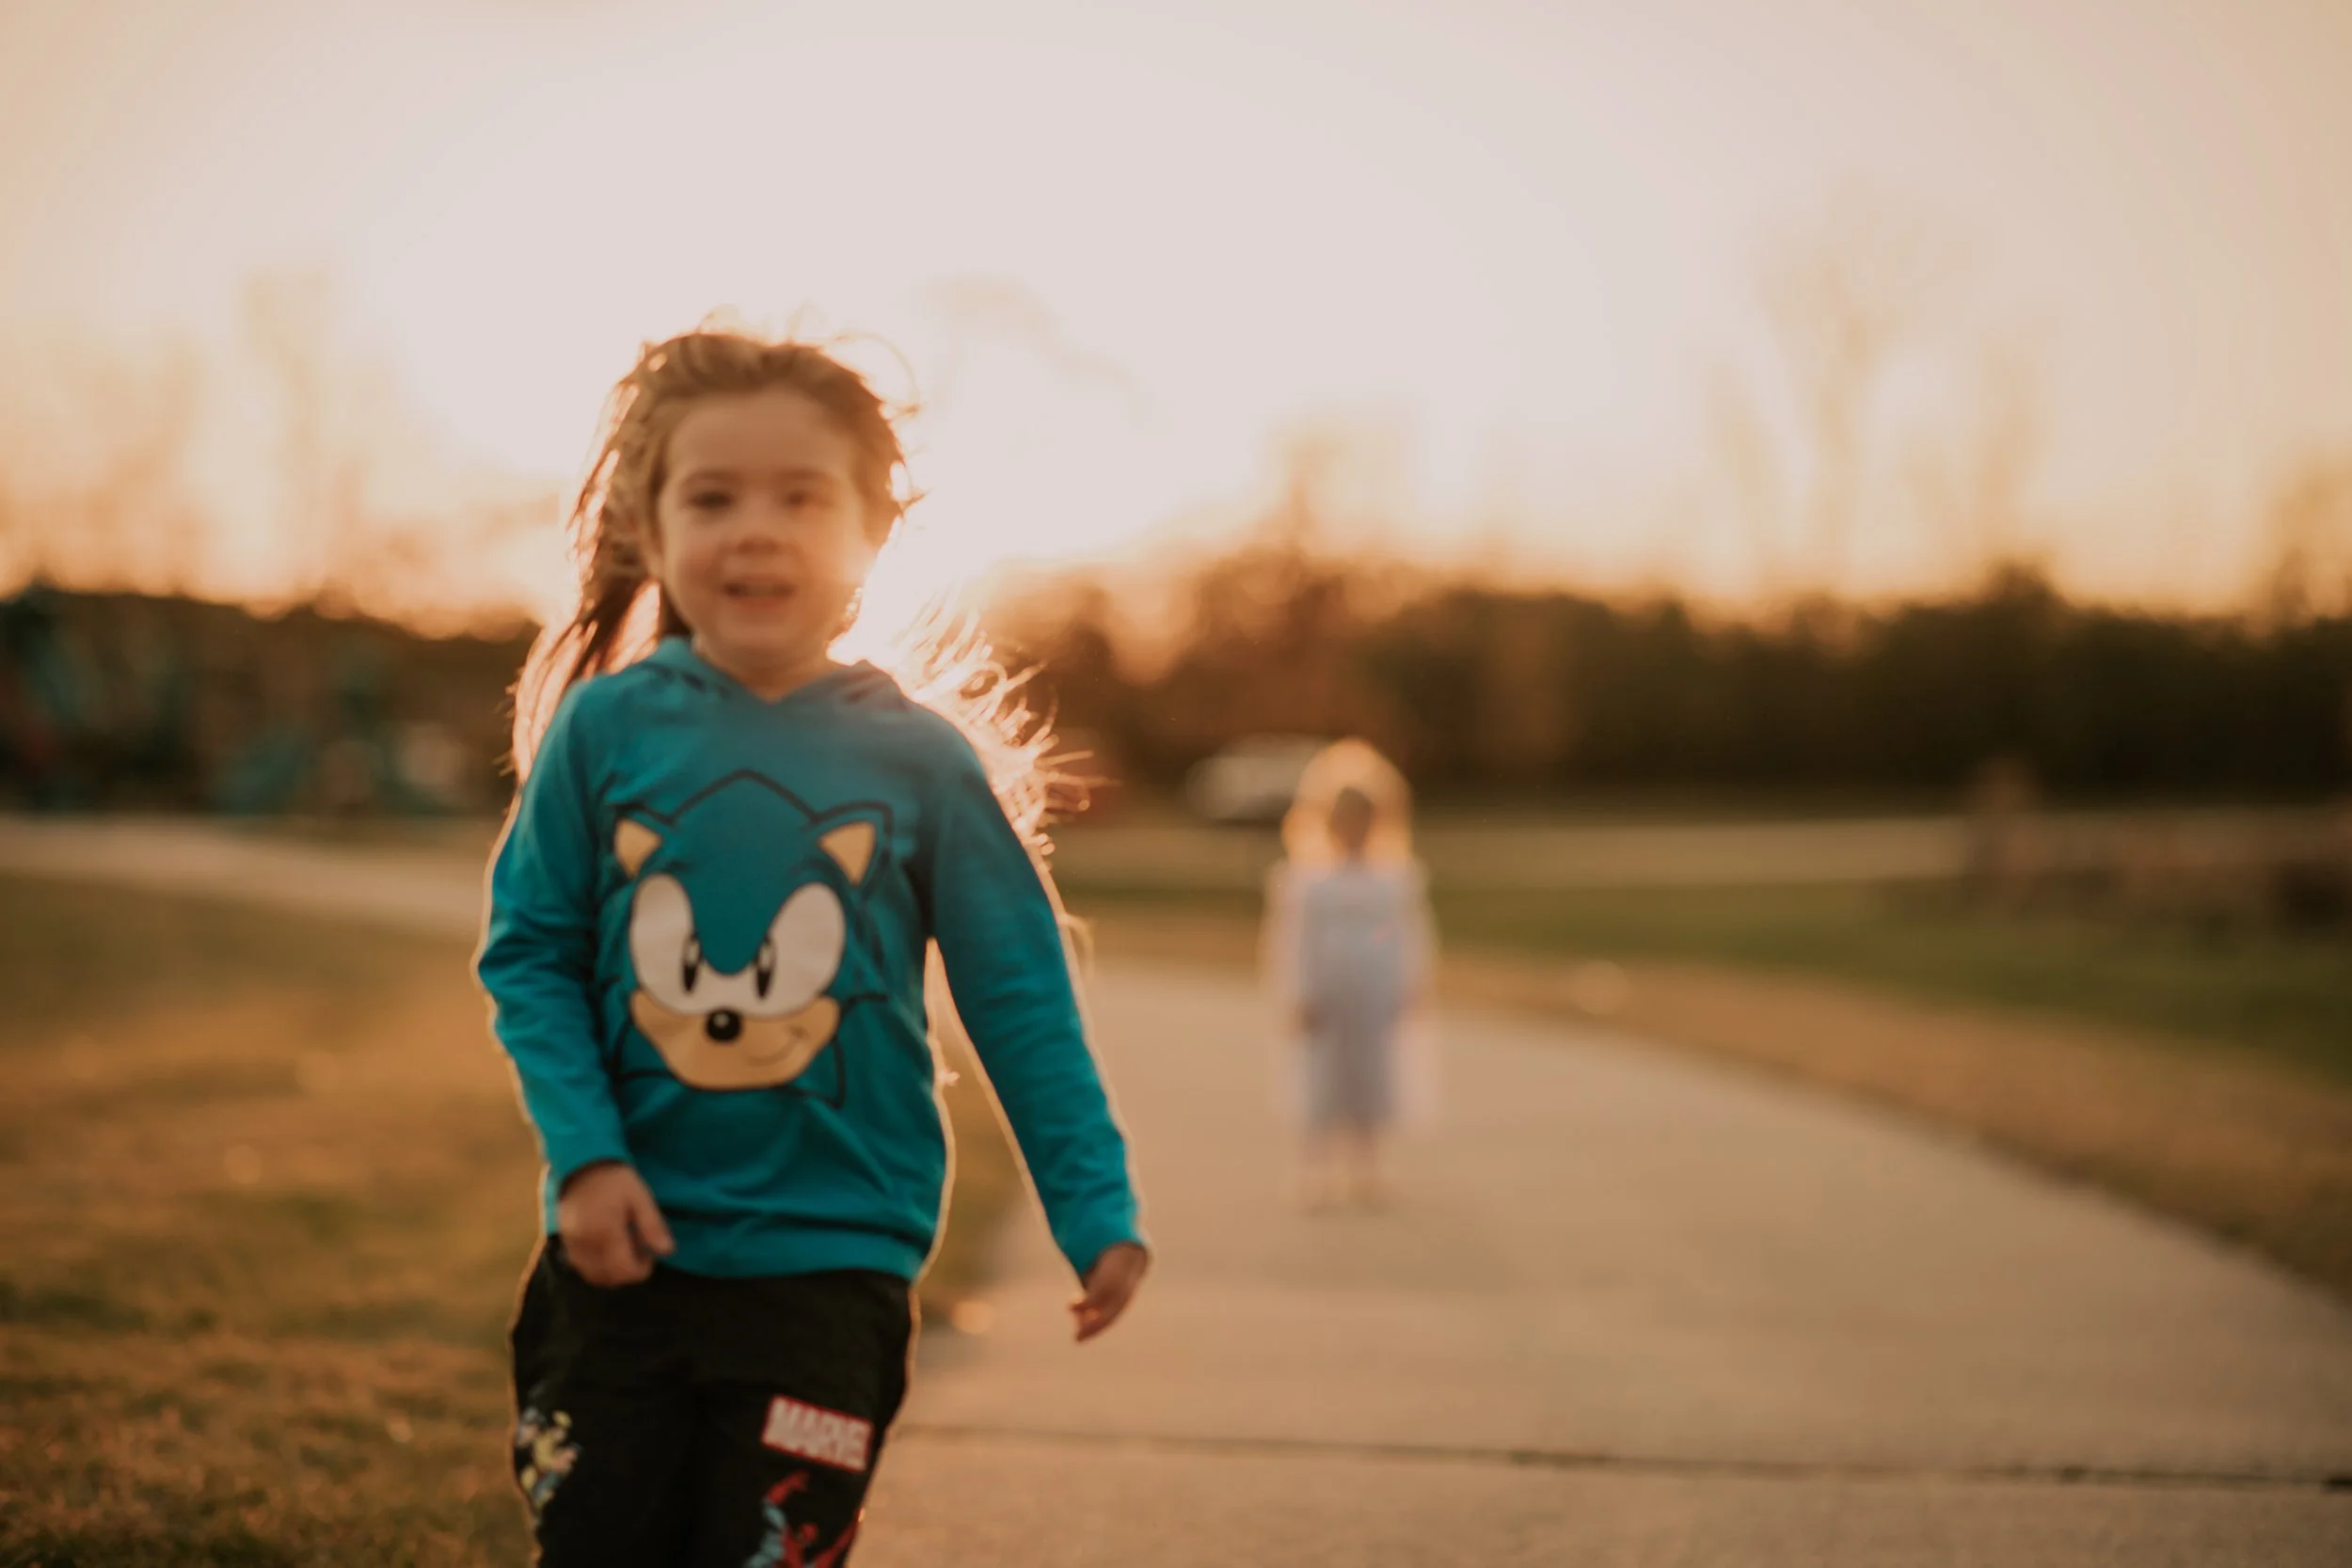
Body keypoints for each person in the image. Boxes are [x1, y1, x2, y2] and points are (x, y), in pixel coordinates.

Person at [476, 325, 1150, 1566]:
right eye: (713, 495)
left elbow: (1019, 991)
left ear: (873, 527)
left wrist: (1092, 1199)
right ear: (650, 522)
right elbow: (532, 955)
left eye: (802, 495)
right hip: (626, 1256)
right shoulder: (606, 733)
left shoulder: (917, 763)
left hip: (833, 1266)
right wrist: (585, 1160)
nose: (756, 528)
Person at [1261, 739, 1437, 1210]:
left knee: (1371, 1077)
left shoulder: (1394, 878)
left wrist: (1409, 985)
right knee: (1321, 1078)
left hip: (1374, 993)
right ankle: (1313, 1169)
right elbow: (1292, 942)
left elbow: (1409, 936)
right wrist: (1297, 993)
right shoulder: (1306, 881)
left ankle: (1368, 1167)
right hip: (1326, 993)